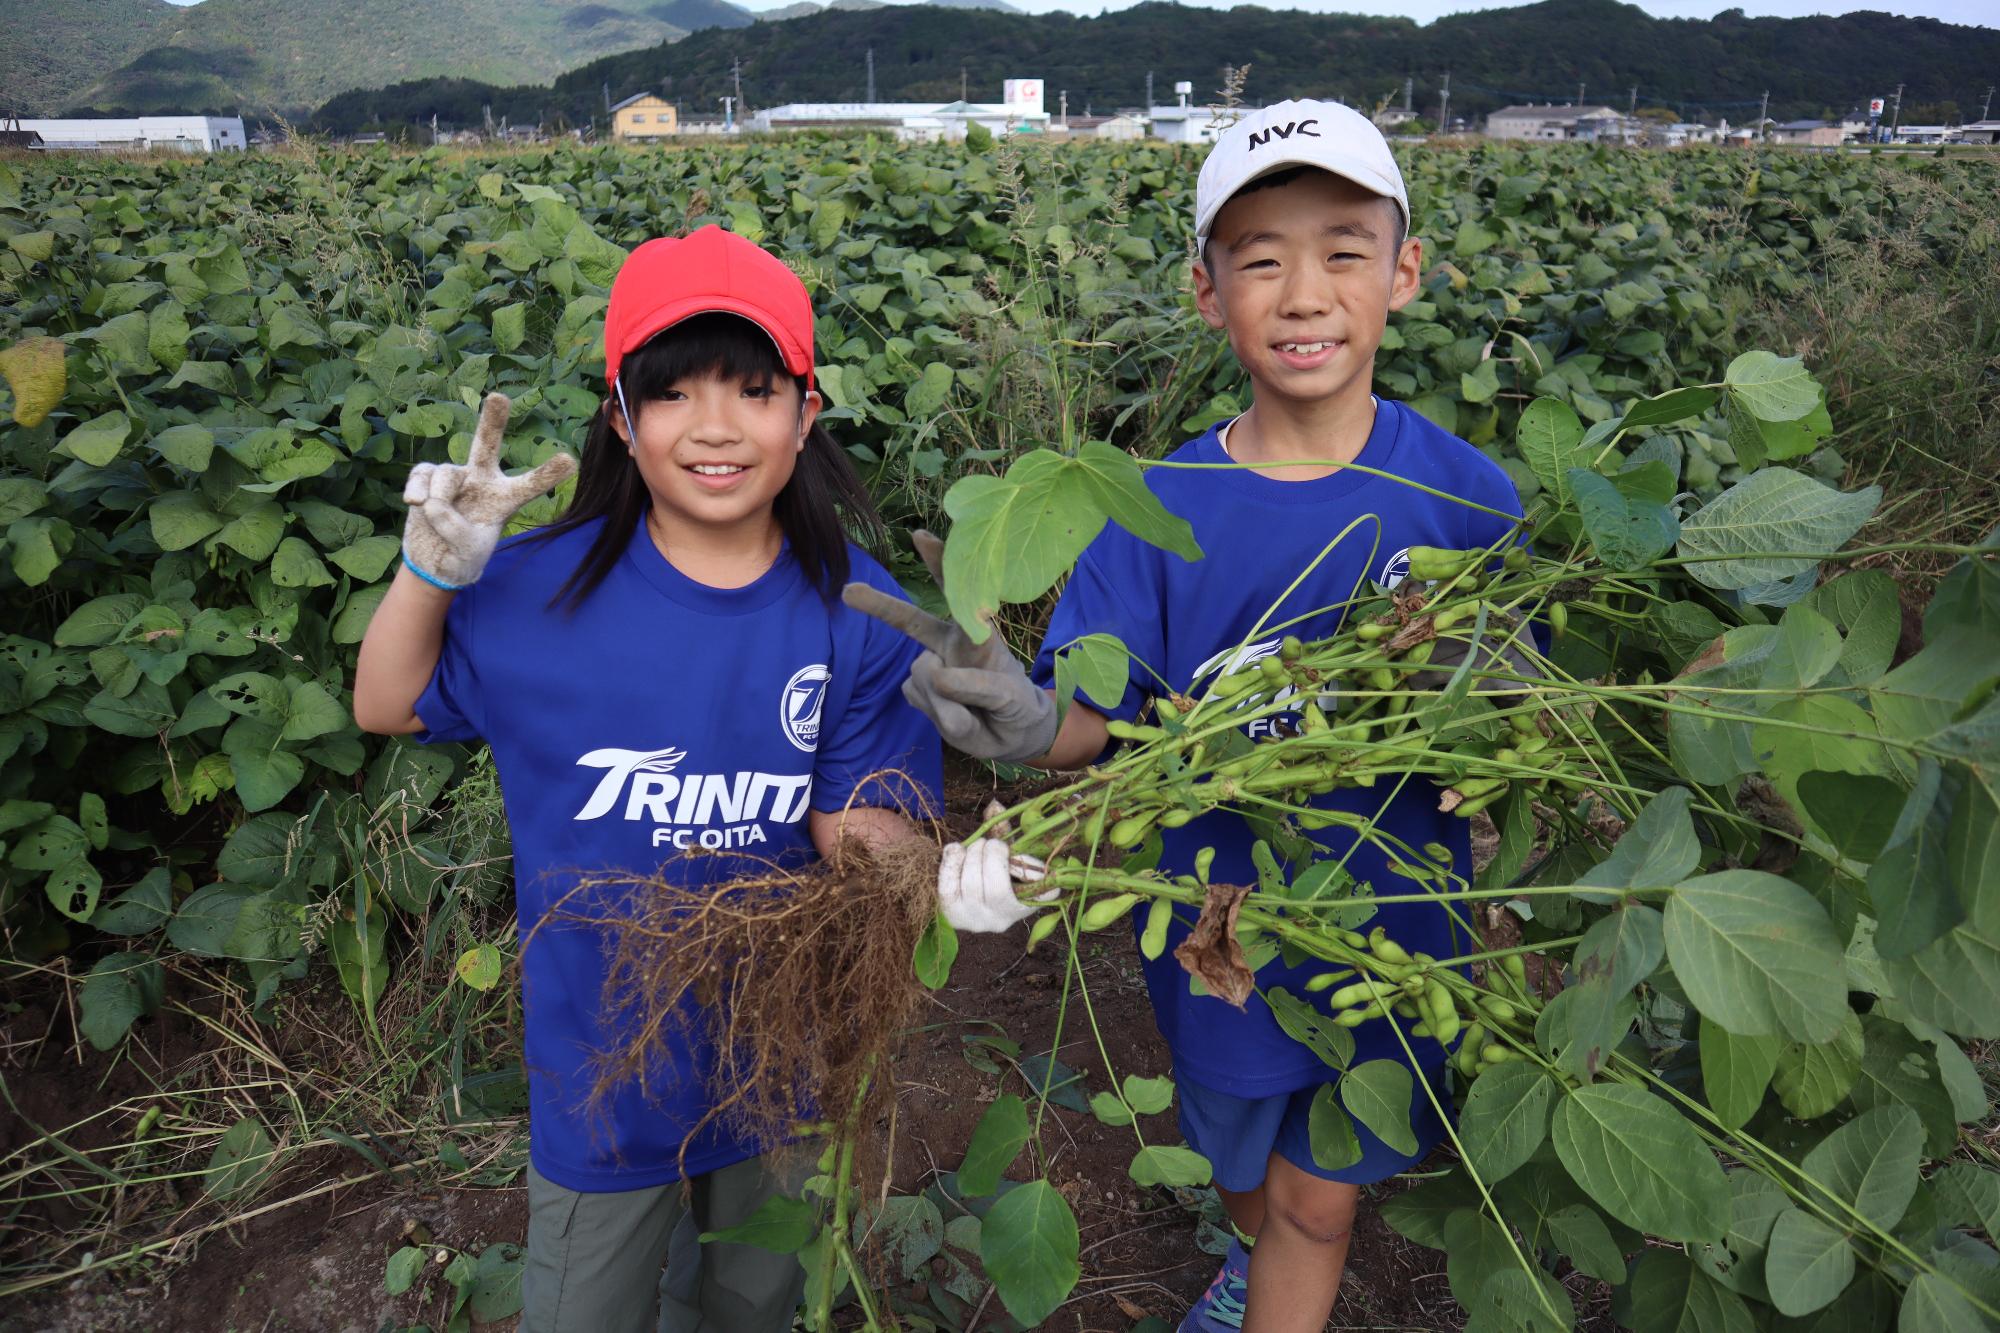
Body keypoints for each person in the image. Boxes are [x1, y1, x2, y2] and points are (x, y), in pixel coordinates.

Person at [846, 101, 1528, 1332]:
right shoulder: (1152, 503)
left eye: (1341, 250)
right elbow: (1096, 723)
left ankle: (1278, 1279)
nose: (1303, 291)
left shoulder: (1468, 500)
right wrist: (1015, 719)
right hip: (1213, 929)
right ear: (1208, 292)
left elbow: (1514, 708)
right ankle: (1250, 1245)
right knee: (1243, 1171)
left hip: (1390, 926)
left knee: (1319, 1204)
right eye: (1259, 258)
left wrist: (1485, 729)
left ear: (1404, 272)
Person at [353, 224, 943, 1333]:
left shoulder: (855, 610)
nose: (715, 426)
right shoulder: (536, 590)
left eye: (755, 389)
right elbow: (387, 704)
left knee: (753, 1300)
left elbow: (859, 820)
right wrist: (427, 574)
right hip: (602, 1063)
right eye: (671, 395)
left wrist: (931, 877)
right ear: (622, 419)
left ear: (805, 414)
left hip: (780, 1049)